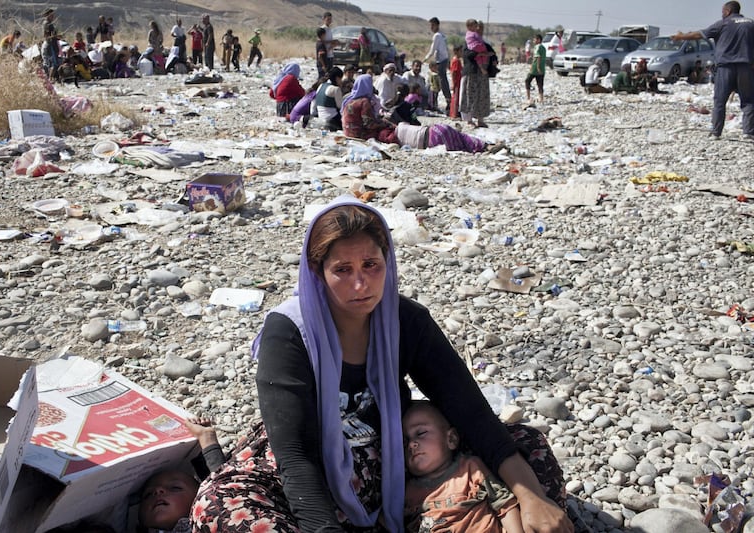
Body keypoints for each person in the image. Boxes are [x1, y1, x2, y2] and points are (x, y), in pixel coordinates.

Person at [182, 197, 572, 533]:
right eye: (342, 270)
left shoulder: (405, 321)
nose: (360, 285)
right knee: (218, 504)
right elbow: (295, 456)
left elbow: (470, 412)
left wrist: (531, 497)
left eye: (371, 265)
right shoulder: (290, 333)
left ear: (388, 260)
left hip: (390, 455)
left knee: (528, 448)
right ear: (317, 272)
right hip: (309, 467)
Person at [403, 400, 524, 533]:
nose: (411, 444)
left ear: (451, 439)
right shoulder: (406, 491)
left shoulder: (471, 469)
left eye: (420, 433)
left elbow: (504, 503)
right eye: (404, 441)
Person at [672, 1, 754, 140]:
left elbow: (699, 34)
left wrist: (681, 37)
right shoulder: (750, 23)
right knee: (748, 101)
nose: (722, 14)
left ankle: (716, 133)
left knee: (720, 101)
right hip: (746, 67)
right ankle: (748, 133)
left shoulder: (722, 24)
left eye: (723, 11)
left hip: (725, 67)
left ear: (727, 11)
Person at [137, 417, 225, 533]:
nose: (158, 490)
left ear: (198, 499)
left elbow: (223, 488)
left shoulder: (213, 520)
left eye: (175, 488)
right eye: (148, 495)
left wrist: (206, 438)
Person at [342, 74, 399, 143]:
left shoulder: (349, 99)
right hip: (358, 135)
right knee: (387, 132)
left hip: (347, 132)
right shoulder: (364, 102)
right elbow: (369, 125)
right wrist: (385, 124)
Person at [461, 19, 491, 127]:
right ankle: (469, 120)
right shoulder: (468, 42)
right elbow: (467, 55)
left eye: (481, 28)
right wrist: (479, 54)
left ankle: (480, 119)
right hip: (471, 72)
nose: (479, 30)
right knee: (470, 96)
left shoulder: (483, 42)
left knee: (482, 96)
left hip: (482, 73)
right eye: (478, 28)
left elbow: (490, 54)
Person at [421, 17, 451, 113]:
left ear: (437, 25)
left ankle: (448, 101)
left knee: (440, 82)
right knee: (442, 81)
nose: (431, 27)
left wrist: (425, 59)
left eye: (432, 25)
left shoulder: (437, 36)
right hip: (444, 60)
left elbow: (432, 49)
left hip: (441, 61)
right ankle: (445, 101)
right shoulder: (442, 35)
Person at [312, 66, 345, 130]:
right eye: (340, 79)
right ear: (337, 78)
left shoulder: (321, 85)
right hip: (332, 119)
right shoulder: (335, 89)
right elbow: (340, 106)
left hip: (321, 117)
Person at [525, 33, 545, 107]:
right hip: (542, 68)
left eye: (535, 39)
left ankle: (528, 98)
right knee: (540, 84)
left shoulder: (537, 47)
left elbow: (538, 57)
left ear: (538, 40)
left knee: (527, 81)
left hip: (535, 69)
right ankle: (541, 99)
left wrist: (537, 67)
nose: (533, 41)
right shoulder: (543, 47)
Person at [42, 8, 60, 80]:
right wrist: (56, 36)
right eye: (51, 15)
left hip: (53, 44)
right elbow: (46, 36)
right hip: (50, 45)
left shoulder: (50, 24)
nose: (53, 17)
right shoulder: (47, 24)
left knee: (51, 63)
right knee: (53, 64)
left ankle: (50, 78)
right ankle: (50, 78)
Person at [449, 44, 463, 118]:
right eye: (460, 51)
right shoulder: (456, 61)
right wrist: (453, 83)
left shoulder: (457, 60)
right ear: (456, 52)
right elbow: (453, 72)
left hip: (458, 82)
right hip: (456, 82)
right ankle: (454, 114)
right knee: (455, 98)